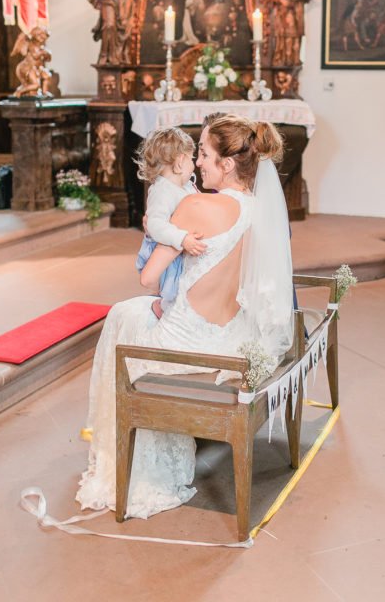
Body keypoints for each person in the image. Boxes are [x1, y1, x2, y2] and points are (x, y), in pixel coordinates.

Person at [76, 116, 294, 518]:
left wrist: (157, 230)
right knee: (130, 314)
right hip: (230, 337)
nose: (199, 164)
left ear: (228, 164)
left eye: (206, 155)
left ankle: (127, 461)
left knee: (121, 315)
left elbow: (149, 277)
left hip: (184, 344)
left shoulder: (196, 205)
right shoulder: (260, 209)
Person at [134, 127, 207, 319]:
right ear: (181, 161)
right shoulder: (162, 190)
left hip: (176, 249)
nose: (195, 165)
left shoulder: (183, 185)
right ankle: (163, 307)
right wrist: (182, 239)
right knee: (171, 286)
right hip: (166, 247)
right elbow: (155, 225)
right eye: (192, 159)